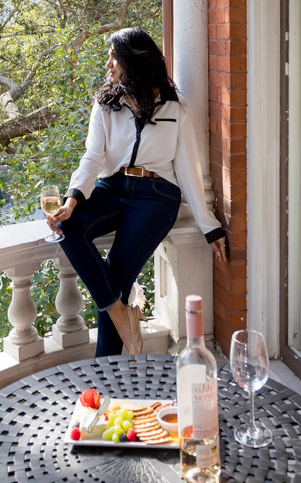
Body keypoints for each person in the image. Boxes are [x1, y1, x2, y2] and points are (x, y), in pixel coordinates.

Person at [47, 27, 229, 356]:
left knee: (117, 272)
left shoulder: (174, 108)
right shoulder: (106, 104)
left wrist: (208, 223)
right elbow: (92, 156)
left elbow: (188, 168)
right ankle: (122, 315)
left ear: (134, 60)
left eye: (114, 56)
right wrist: (73, 200)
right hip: (112, 187)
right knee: (68, 228)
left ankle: (107, 374)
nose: (109, 63)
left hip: (156, 196)